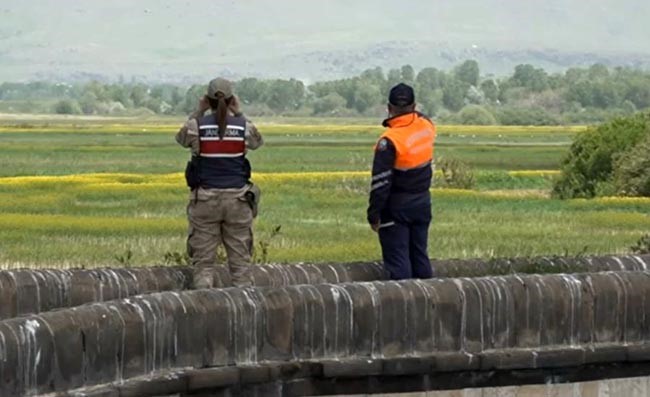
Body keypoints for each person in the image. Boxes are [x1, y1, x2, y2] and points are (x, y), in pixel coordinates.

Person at [175, 77, 263, 288]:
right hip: (239, 200)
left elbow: (181, 139)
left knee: (204, 265)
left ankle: (206, 309)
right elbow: (257, 142)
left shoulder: (197, 126)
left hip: (205, 199)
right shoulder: (244, 127)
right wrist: (239, 113)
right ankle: (245, 310)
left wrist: (198, 111)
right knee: (241, 265)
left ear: (207, 99)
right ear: (232, 99)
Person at [367, 83, 436, 280]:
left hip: (396, 208)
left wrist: (374, 215)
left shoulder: (388, 141)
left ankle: (407, 305)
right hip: (423, 203)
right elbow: (421, 116)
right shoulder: (427, 126)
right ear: (414, 106)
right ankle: (428, 301)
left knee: (399, 264)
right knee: (420, 257)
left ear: (389, 108)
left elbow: (381, 183)